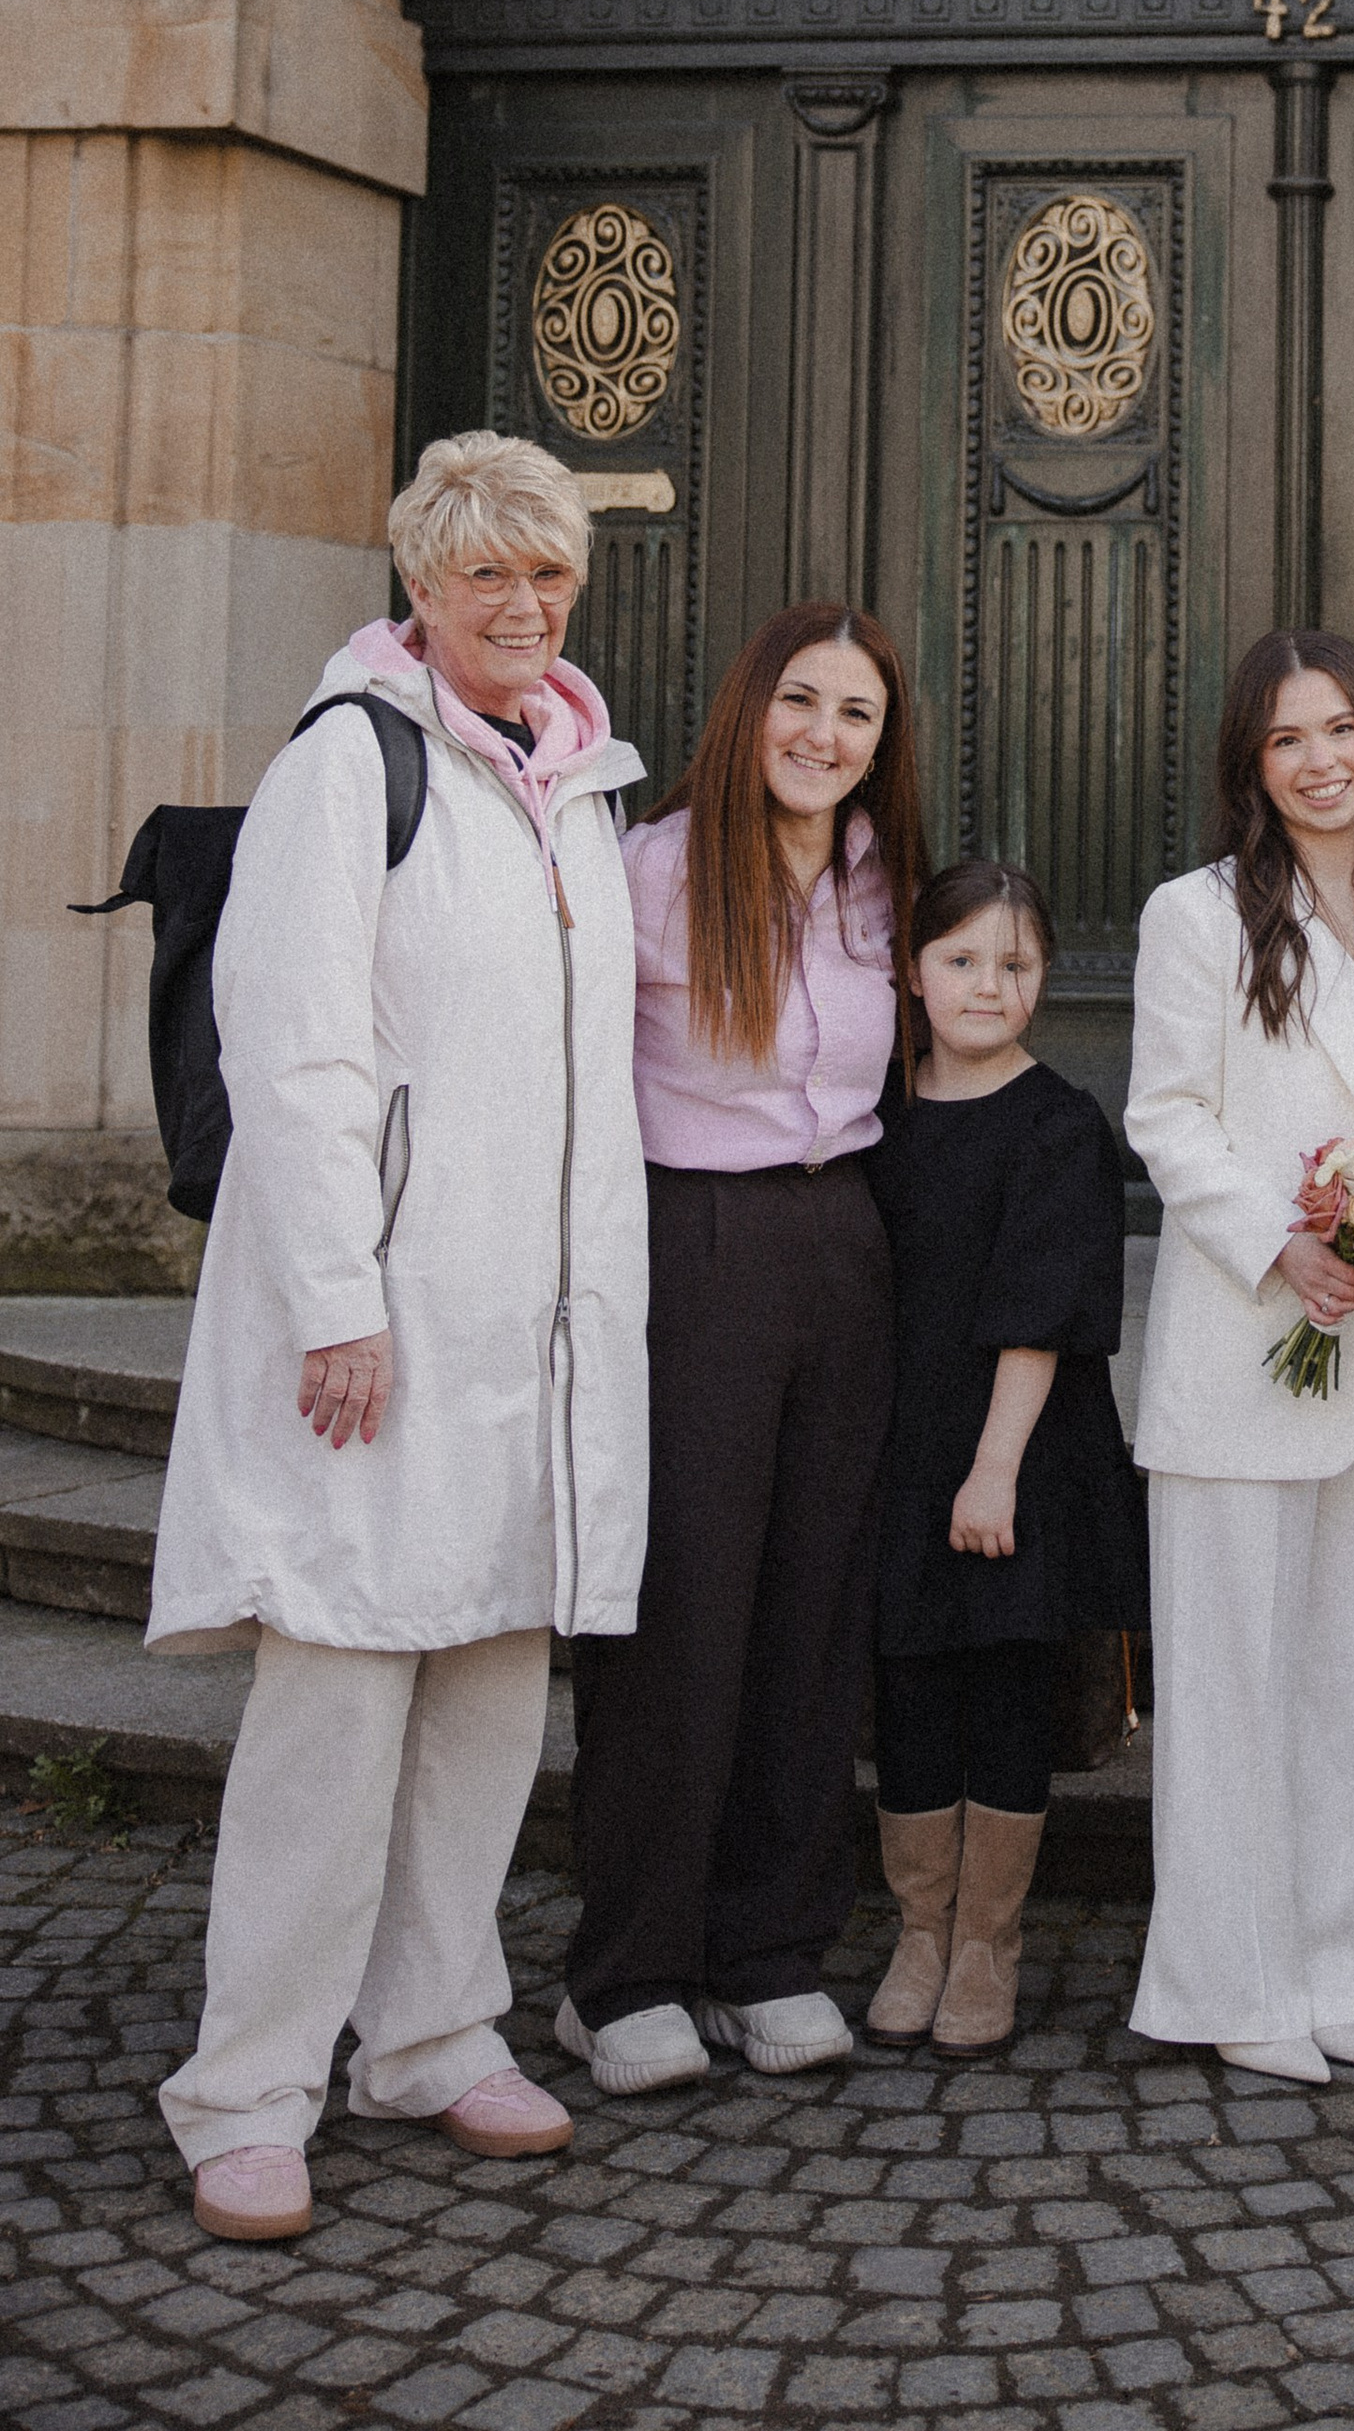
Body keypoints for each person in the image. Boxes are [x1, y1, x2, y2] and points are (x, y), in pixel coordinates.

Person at [149, 433, 651, 2243]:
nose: (522, 610)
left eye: (549, 578)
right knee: (340, 1700)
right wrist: (340, 1304)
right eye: (485, 578)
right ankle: (247, 2085)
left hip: (540, 1335)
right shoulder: (349, 768)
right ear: (420, 589)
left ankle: (433, 2030)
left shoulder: (581, 784)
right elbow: (293, 1054)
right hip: (375, 1323)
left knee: (488, 1691)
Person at [555, 603, 923, 2096]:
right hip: (689, 1242)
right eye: (800, 702)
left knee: (812, 1604)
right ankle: (626, 1970)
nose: (823, 736)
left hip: (842, 1242)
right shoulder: (652, 867)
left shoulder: (876, 880)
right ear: (747, 707)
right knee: (682, 1609)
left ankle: (768, 1946)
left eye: (855, 715)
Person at [1123, 631, 1354, 2086]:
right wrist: (1281, 1242)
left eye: (1342, 731)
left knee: (1348, 1687)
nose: (1322, 761)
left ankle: (1337, 1975)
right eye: (1287, 740)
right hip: (1250, 1345)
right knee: (1230, 1690)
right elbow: (1168, 1115)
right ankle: (1230, 1980)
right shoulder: (1197, 917)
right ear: (1250, 769)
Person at [863, 860, 1148, 2058]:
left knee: (1004, 1693)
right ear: (911, 973)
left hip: (1016, 1454)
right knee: (913, 1687)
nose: (990, 985)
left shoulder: (1058, 1124)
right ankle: (918, 1930)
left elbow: (1038, 1311)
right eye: (962, 960)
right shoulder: (877, 1114)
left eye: (1017, 964)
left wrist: (993, 1471)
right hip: (904, 1446)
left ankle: (988, 1940)